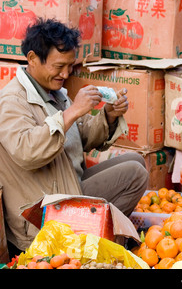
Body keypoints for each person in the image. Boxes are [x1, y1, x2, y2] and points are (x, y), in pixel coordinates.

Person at [0, 18, 148, 257]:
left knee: (137, 161)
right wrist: (71, 112)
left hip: (66, 184)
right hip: (43, 212)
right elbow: (26, 152)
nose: (66, 73)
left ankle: (93, 237)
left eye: (70, 66)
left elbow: (81, 138)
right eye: (59, 66)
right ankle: (88, 248)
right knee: (135, 175)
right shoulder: (11, 101)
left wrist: (108, 115)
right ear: (32, 59)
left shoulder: (54, 92)